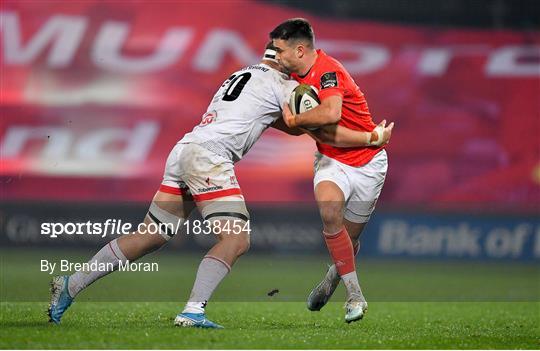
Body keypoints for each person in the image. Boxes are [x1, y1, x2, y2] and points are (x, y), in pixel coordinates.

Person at [47, 43, 393, 329]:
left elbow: (282, 123)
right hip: (209, 158)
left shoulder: (239, 75)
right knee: (236, 239)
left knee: (151, 234)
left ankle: (71, 284)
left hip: (184, 150)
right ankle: (193, 311)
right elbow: (317, 128)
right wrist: (369, 135)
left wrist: (299, 121)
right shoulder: (283, 85)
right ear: (287, 61)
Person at [270, 18, 394, 323]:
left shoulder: (327, 70)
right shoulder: (289, 80)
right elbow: (318, 134)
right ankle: (355, 295)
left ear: (300, 51)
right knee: (329, 214)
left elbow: (331, 113)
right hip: (332, 160)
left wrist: (295, 121)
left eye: (280, 51)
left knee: (348, 242)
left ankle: (331, 278)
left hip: (369, 163)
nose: (277, 57)